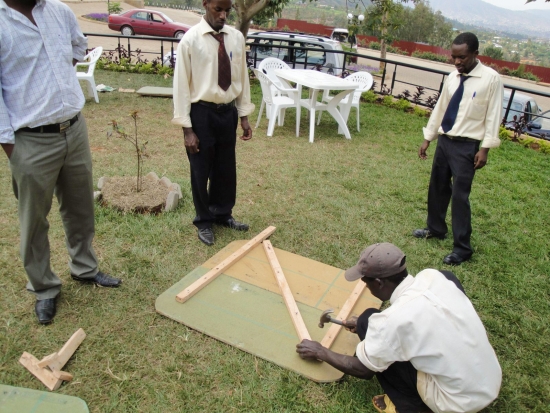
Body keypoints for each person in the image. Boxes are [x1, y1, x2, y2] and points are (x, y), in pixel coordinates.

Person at [0, 0, 122, 325]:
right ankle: (44, 288)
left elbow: (78, 45)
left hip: (74, 129)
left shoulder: (59, 11)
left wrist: (55, 76)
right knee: (34, 220)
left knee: (80, 207)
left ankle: (84, 268)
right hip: (29, 139)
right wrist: (11, 147)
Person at [296, 243, 501, 413]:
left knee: (379, 354)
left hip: (455, 403)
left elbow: (362, 369)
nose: (366, 286)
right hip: (488, 380)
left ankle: (410, 406)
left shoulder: (391, 323)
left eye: (366, 282)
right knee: (367, 319)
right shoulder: (437, 277)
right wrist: (361, 323)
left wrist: (320, 351)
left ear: (378, 283)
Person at [413, 32, 504, 265]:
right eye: (454, 57)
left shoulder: (491, 79)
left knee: (460, 197)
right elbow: (441, 108)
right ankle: (435, 229)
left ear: (475, 54)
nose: (457, 62)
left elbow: (494, 116)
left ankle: (462, 248)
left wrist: (485, 149)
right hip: (445, 141)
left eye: (462, 57)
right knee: (438, 187)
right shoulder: (453, 77)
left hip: (467, 146)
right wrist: (429, 138)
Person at [172, 0, 255, 246]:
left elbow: (241, 78)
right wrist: (188, 129)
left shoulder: (235, 38)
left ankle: (222, 214)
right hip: (202, 114)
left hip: (227, 113)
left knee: (225, 168)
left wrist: (244, 116)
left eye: (227, 10)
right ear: (205, 4)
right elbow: (181, 86)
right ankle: (204, 221)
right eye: (218, 9)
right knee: (201, 169)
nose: (223, 15)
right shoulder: (191, 40)